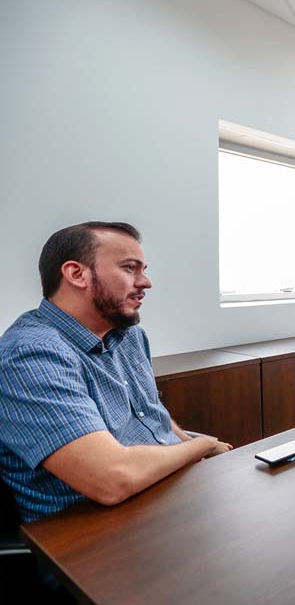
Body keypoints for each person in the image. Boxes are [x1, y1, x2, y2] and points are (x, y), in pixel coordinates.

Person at [0, 222, 233, 526]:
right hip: (95, 539)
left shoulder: (129, 336)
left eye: (143, 269)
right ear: (76, 274)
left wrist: (191, 444)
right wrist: (201, 444)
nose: (146, 282)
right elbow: (111, 479)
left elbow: (151, 414)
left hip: (169, 497)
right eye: (130, 268)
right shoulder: (31, 355)